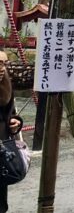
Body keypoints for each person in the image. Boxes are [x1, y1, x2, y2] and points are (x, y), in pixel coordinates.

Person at [0, 51, 24, 213]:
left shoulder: (6, 85)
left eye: (4, 63)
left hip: (2, 149)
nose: (2, 68)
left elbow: (10, 114)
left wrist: (16, 122)